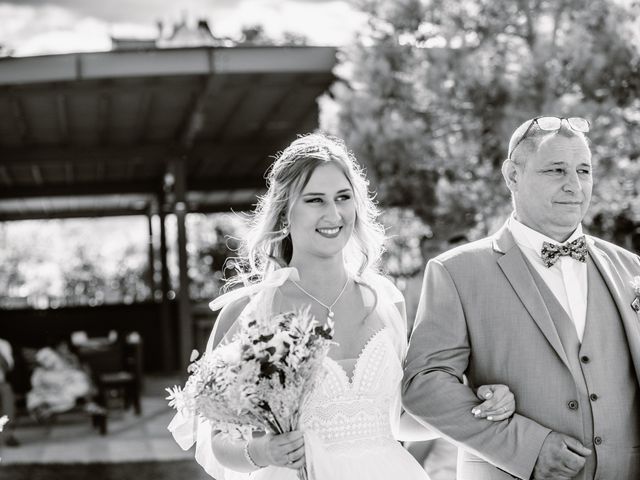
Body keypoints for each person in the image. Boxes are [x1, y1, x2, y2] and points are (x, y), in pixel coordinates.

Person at [169, 133, 517, 479]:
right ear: (284, 211)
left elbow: (399, 420)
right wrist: (262, 452)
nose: (334, 213)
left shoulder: (385, 300)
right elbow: (219, 442)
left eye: (343, 197)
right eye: (315, 200)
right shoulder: (251, 311)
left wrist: (474, 406)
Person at [403, 116, 640, 480]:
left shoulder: (629, 268)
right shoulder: (457, 272)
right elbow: (424, 384)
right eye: (556, 170)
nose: (574, 185)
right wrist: (525, 446)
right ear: (512, 176)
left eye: (583, 170)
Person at [0, 338, 19, 446]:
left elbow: (8, 367)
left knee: (7, 394)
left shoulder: (3, 344)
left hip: (1, 383)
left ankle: (8, 435)